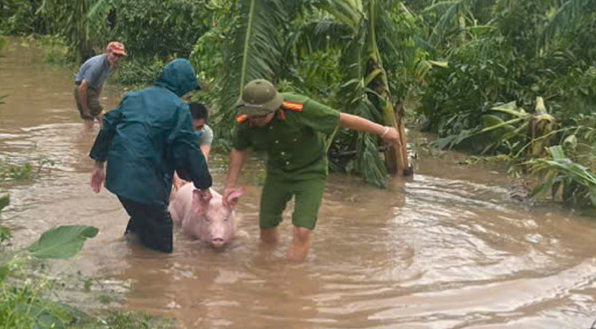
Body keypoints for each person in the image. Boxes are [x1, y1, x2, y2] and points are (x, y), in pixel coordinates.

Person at [222, 79, 401, 262]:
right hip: (277, 173)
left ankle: (293, 279)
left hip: (310, 172)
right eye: (253, 116)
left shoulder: (299, 108)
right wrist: (229, 186)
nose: (257, 121)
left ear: (274, 108)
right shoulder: (246, 121)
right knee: (267, 226)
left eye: (262, 116)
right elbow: (239, 150)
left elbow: (341, 119)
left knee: (302, 230)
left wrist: (383, 130)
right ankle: (268, 270)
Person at [89, 58, 212, 253]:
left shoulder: (133, 97)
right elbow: (188, 150)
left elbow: (108, 126)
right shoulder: (178, 109)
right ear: (182, 86)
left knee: (142, 217)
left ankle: (128, 252)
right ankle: (149, 279)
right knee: (161, 243)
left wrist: (98, 165)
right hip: (145, 183)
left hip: (118, 178)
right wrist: (203, 185)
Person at [74, 41, 125, 124]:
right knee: (105, 120)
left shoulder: (110, 64)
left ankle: (87, 136)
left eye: (120, 56)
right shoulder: (97, 65)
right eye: (114, 54)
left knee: (89, 120)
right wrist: (85, 109)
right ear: (107, 52)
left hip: (90, 89)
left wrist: (96, 99)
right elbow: (82, 87)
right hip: (83, 89)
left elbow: (100, 83)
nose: (117, 59)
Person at [173, 102, 214, 189]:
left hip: (191, 157)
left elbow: (203, 158)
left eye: (199, 127)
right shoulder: (172, 130)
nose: (194, 131)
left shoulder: (206, 132)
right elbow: (167, 158)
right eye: (191, 127)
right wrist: (176, 180)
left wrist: (200, 182)